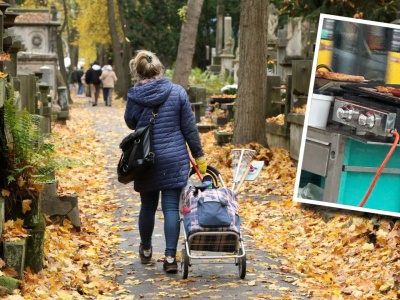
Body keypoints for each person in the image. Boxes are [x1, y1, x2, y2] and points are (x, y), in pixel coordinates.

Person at [124, 50, 207, 273]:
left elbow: (130, 123)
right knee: (171, 208)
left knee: (147, 206)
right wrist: (199, 156)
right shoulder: (177, 92)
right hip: (174, 158)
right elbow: (189, 128)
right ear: (160, 69)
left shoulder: (134, 96)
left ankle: (147, 250)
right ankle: (170, 258)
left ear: (139, 72)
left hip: (145, 159)